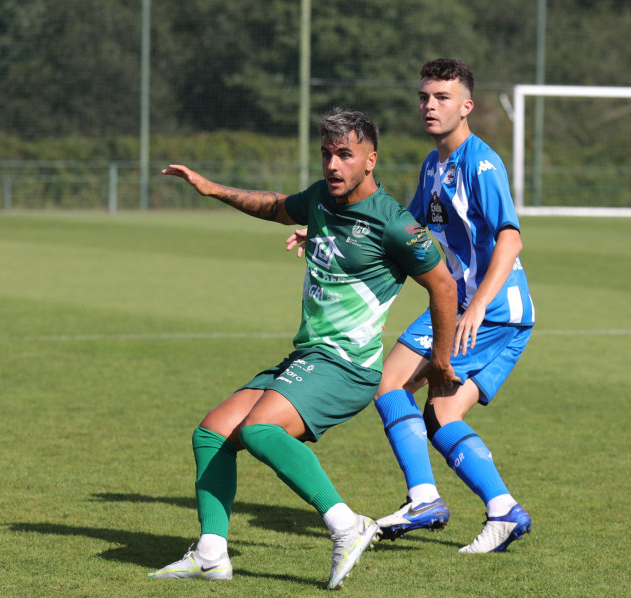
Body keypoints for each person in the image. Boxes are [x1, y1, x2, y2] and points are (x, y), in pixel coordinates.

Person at [148, 108, 458, 590]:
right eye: (326, 154)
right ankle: (211, 553)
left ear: (370, 160)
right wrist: (213, 190)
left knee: (261, 430)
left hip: (347, 366)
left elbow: (443, 286)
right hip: (309, 356)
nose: (333, 165)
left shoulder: (395, 225)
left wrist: (440, 360)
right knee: (212, 433)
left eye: (345, 155)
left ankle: (346, 524)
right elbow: (274, 206)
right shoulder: (319, 199)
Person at [288, 59, 535, 554]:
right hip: (496, 314)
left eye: (442, 97)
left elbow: (510, 239)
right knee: (441, 417)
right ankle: (504, 510)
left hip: (488, 310)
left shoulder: (481, 163)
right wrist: (327, 227)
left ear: (466, 106)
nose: (429, 105)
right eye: (424, 96)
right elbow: (405, 228)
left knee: (388, 380)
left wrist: (476, 306)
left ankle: (424, 499)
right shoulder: (434, 164)